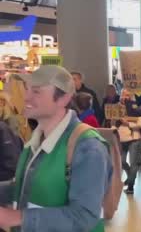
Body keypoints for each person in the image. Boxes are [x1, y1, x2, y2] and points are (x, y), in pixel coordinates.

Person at [0, 65, 112, 231]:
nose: (26, 97)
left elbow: (84, 216)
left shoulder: (88, 148)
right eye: (27, 89)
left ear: (64, 99)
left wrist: (18, 218)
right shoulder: (35, 140)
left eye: (36, 92)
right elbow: (25, 186)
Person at [116, 89, 141, 195]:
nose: (125, 97)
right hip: (121, 138)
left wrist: (128, 124)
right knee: (122, 162)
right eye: (123, 95)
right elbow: (112, 122)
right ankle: (130, 176)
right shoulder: (116, 108)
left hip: (134, 138)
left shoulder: (136, 108)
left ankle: (131, 186)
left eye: (128, 95)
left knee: (133, 164)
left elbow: (140, 124)